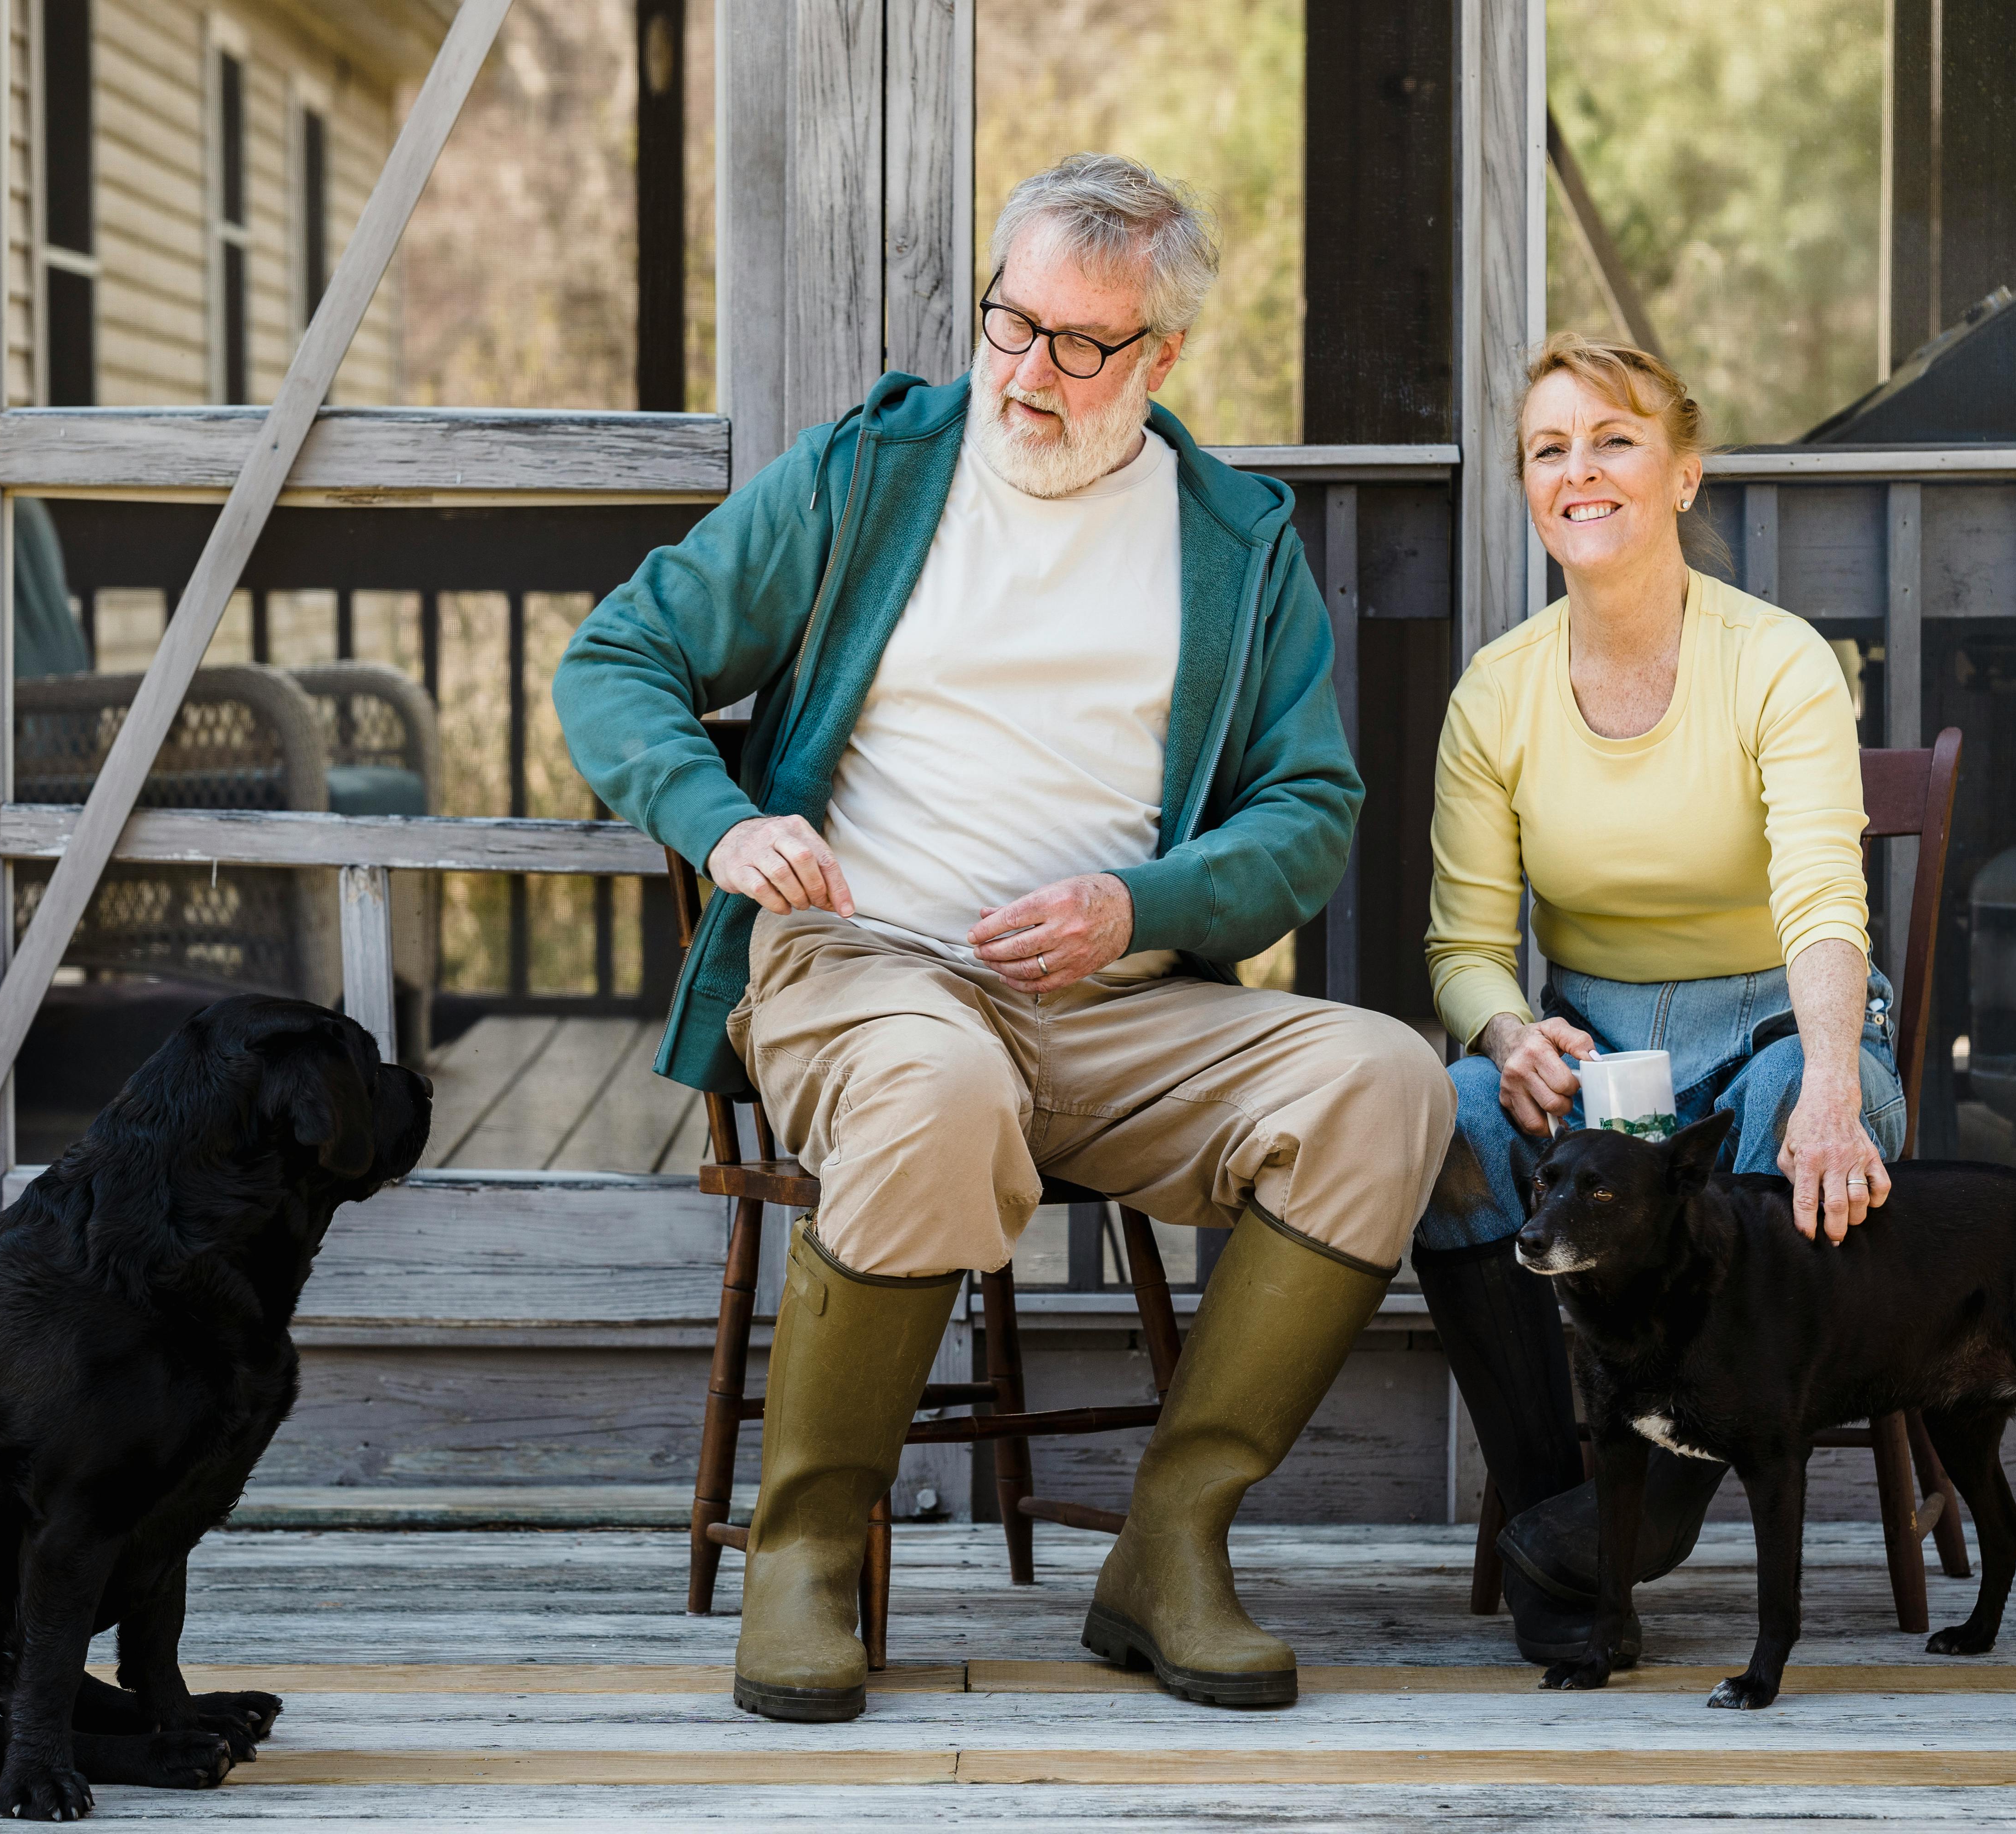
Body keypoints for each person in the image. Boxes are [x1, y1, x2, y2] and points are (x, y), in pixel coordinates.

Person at [554, 154, 1453, 1723]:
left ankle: (1172, 1545)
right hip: (868, 971)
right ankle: (811, 1552)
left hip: (1123, 1006)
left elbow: (1309, 809)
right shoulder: (872, 475)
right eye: (1011, 324)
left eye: (1083, 345)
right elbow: (620, 655)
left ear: (1163, 358)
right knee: (939, 1086)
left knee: (1382, 1083)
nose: (1031, 375)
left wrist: (1142, 907)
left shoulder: (1233, 546)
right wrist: (725, 823)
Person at [1413, 332, 1907, 1662]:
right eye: (1550, 448)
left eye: (1615, 440)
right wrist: (1510, 1034)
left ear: (1684, 475)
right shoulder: (1497, 693)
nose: (1582, 471)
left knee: (1781, 1145)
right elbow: (1462, 943)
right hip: (1597, 1055)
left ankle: (1619, 1546)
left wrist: (1827, 1078)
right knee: (1446, 1123)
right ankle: (1554, 1513)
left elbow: (1821, 896)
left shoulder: (1781, 662)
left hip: (1772, 1025)